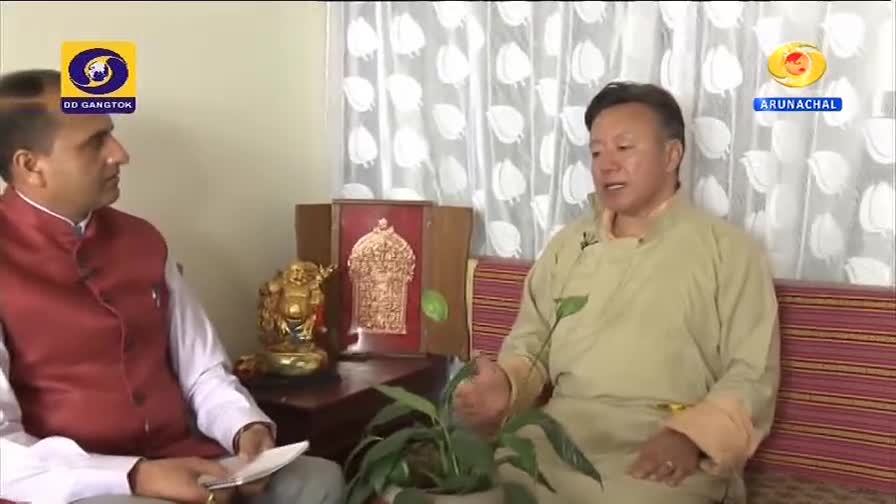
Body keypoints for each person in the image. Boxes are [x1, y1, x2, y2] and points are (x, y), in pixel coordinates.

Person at [0, 69, 345, 504]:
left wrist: (245, 427)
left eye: (112, 134)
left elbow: (203, 370)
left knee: (317, 480)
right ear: (31, 166)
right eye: (95, 142)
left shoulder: (142, 240)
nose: (120, 154)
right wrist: (135, 476)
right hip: (81, 483)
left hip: (181, 454)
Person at [454, 82, 781, 504]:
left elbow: (752, 372)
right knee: (481, 486)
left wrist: (692, 437)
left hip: (665, 442)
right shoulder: (570, 245)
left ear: (672, 155)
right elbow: (530, 343)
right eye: (596, 152)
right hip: (561, 435)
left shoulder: (729, 251)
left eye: (624, 148)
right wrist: (505, 385)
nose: (606, 165)